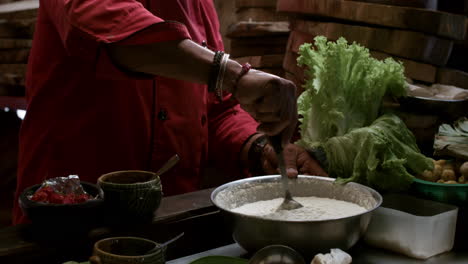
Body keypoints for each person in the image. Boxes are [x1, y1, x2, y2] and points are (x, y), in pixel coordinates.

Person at [12, 0, 327, 225]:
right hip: (71, 220)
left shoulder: (198, 4)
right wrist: (232, 74)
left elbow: (216, 109)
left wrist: (260, 149)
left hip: (167, 217)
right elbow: (113, 28)